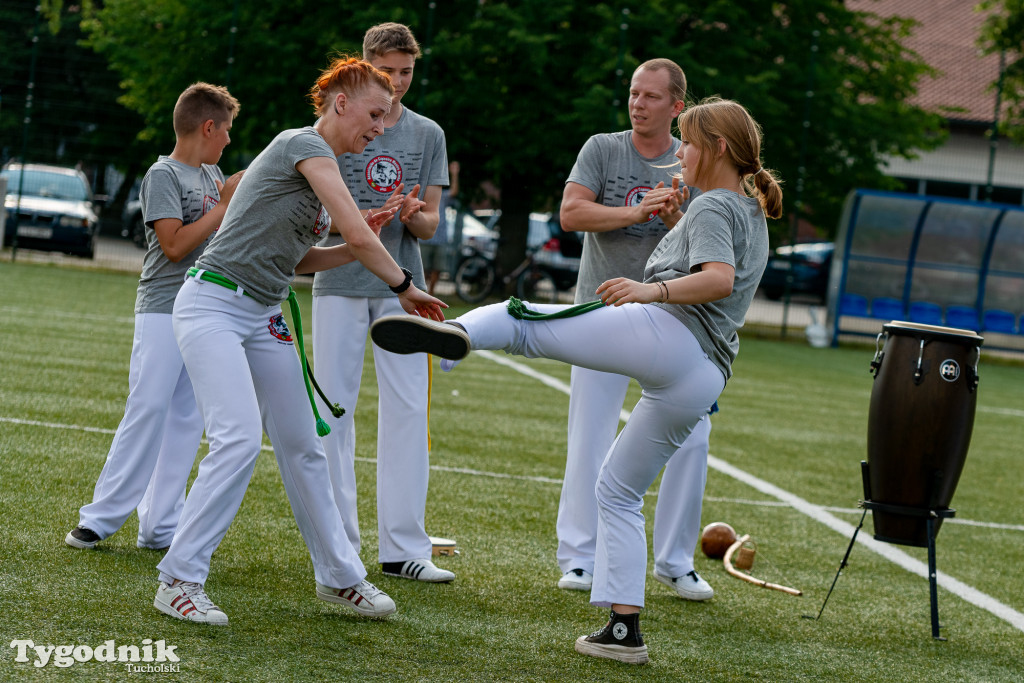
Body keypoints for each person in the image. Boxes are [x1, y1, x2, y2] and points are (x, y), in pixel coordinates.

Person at [369, 97, 782, 664]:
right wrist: (677, 230)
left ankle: (458, 333)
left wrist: (650, 289)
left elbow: (716, 279)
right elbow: (721, 272)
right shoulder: (748, 209)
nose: (678, 152)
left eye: (686, 141)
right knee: (617, 489)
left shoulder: (713, 207)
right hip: (704, 375)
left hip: (670, 335)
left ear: (718, 149)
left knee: (523, 320)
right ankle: (623, 631)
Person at [153, 57, 447, 626]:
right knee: (237, 438)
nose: (381, 127)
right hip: (212, 302)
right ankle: (178, 579)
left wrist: (365, 240)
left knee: (305, 445)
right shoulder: (300, 145)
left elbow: (308, 256)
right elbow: (356, 234)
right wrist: (405, 285)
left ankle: (340, 579)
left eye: (386, 118)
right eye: (374, 114)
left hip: (264, 311)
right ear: (340, 103)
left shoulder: (323, 169)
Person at [557, 58, 714, 602]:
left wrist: (674, 221)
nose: (637, 103)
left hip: (670, 323)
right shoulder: (603, 147)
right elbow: (571, 215)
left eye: (650, 97)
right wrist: (635, 212)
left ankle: (674, 562)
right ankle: (580, 558)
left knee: (692, 441)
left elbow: (705, 251)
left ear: (677, 108)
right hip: (600, 312)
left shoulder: (693, 160)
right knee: (591, 435)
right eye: (633, 93)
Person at [66, 83, 242, 552]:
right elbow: (175, 245)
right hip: (163, 307)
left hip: (203, 310)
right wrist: (224, 206)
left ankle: (161, 525)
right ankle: (99, 519)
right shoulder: (163, 174)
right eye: (225, 130)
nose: (227, 139)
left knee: (187, 418)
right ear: (208, 127)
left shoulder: (212, 174)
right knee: (147, 409)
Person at [312, 23, 453, 584]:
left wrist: (416, 215)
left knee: (408, 412)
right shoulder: (336, 122)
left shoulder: (428, 134)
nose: (397, 84)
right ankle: (338, 545)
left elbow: (433, 220)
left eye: (407, 73)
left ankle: (402, 550)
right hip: (342, 281)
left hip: (404, 285)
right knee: (333, 413)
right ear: (366, 67)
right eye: (389, 73)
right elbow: (317, 213)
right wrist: (357, 224)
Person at [422, 160, 460, 294]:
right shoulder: (422, 194)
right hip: (424, 238)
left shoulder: (442, 196)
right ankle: (422, 291)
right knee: (423, 268)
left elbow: (454, 191)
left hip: (440, 238)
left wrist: (454, 174)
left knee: (437, 268)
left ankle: (430, 293)